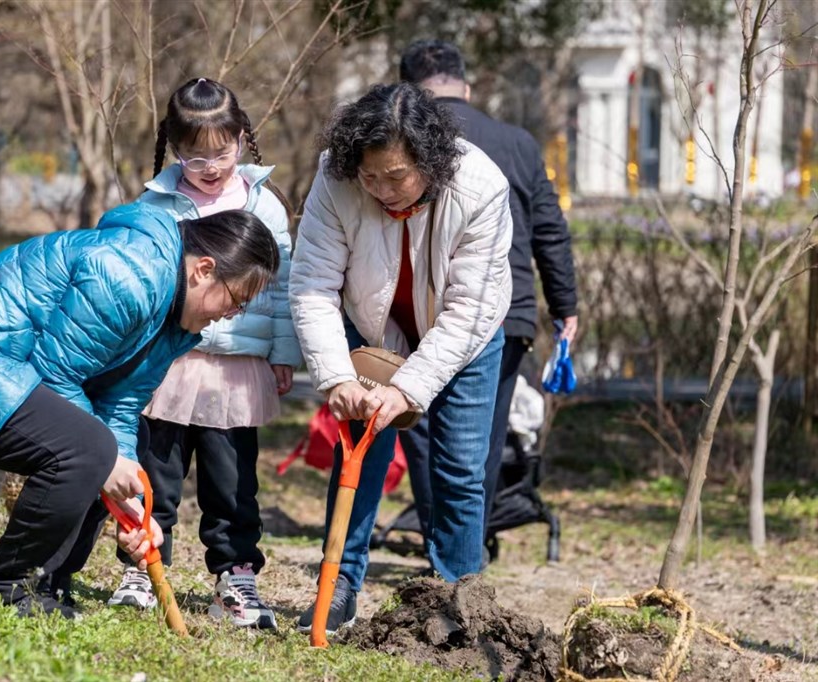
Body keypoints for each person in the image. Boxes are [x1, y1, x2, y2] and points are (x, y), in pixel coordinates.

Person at [0, 204, 280, 620]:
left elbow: (122, 401)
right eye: (236, 300)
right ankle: (9, 586)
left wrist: (130, 500)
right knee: (91, 449)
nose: (230, 316)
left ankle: (48, 583)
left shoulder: (173, 320)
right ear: (203, 269)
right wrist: (107, 461)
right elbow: (54, 375)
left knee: (116, 449)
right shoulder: (131, 276)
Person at [289, 82, 513, 634]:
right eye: (370, 175)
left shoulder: (481, 187)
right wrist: (336, 375)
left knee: (459, 468)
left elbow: (466, 312)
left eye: (396, 176)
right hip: (370, 326)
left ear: (429, 161)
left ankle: (458, 600)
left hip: (467, 334)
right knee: (358, 457)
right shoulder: (334, 176)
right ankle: (338, 586)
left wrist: (408, 390)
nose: (381, 188)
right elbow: (313, 283)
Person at [104, 77, 300, 630]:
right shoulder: (159, 204)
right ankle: (143, 567)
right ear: (173, 147)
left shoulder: (265, 205)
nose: (211, 166)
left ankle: (235, 576)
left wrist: (282, 349)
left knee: (233, 481)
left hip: (239, 368)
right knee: (155, 473)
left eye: (222, 152)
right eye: (194, 156)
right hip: (169, 362)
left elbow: (283, 287)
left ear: (242, 137)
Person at [399, 40, 578, 554]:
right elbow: (550, 231)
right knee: (480, 443)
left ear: (405, 93)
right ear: (467, 87)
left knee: (422, 431)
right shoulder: (517, 142)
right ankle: (466, 550)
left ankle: (446, 546)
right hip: (505, 312)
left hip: (416, 310)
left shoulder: (396, 138)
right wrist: (565, 307)